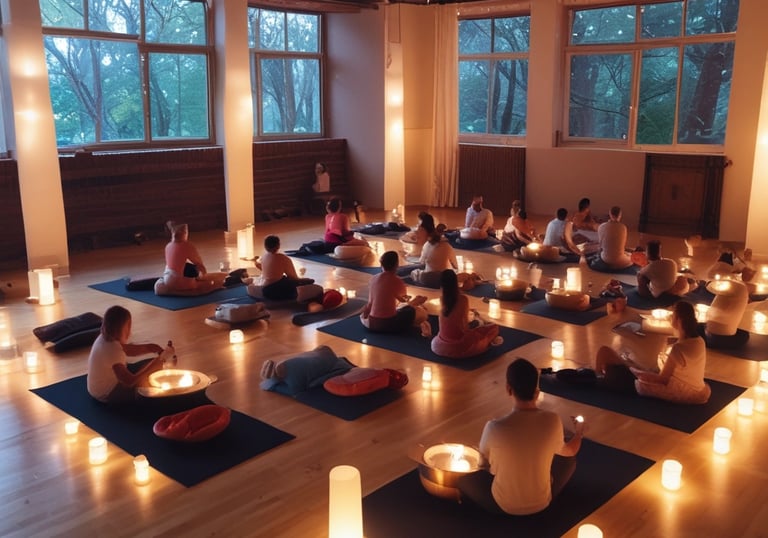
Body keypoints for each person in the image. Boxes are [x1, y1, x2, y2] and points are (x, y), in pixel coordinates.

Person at [457, 358, 583, 515]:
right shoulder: (552, 420)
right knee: (569, 461)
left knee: (463, 478)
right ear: (537, 393)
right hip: (542, 503)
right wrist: (579, 432)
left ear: (508, 389)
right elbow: (570, 451)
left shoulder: (495, 427)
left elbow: (483, 465)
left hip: (502, 505)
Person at [595, 301, 711, 404]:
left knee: (605, 353)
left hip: (674, 389)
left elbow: (663, 380)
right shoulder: (699, 341)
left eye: (672, 316)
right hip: (695, 388)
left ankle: (597, 378)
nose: (670, 318)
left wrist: (640, 374)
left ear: (678, 320)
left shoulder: (679, 348)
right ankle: (600, 376)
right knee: (616, 364)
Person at [86, 305, 166, 404]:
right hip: (107, 394)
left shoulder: (104, 338)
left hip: (95, 389)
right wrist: (154, 364)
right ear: (123, 328)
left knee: (148, 365)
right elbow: (129, 382)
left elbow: (129, 350)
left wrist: (153, 347)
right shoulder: (112, 349)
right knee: (153, 389)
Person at [431, 270, 500, 359]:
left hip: (443, 342)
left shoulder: (442, 299)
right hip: (461, 344)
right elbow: (465, 327)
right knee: (493, 328)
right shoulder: (463, 299)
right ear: (455, 282)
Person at [360, 250, 429, 333]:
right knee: (418, 313)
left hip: (372, 323)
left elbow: (370, 304)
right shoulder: (397, 281)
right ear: (396, 264)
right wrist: (416, 301)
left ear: (381, 264)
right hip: (388, 324)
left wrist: (365, 316)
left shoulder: (373, 278)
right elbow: (403, 302)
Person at [155, 221, 227, 295]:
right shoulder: (186, 245)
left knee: (199, 277)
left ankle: (172, 291)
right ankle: (178, 291)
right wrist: (202, 275)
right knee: (210, 284)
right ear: (185, 232)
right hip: (178, 282)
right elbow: (199, 265)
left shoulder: (168, 246)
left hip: (167, 279)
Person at [255, 235, 323, 301]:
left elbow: (263, 269)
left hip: (265, 290)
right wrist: (304, 280)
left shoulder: (263, 257)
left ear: (265, 246)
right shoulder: (283, 258)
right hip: (275, 290)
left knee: (284, 279)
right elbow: (293, 278)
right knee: (309, 282)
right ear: (278, 245)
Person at [411, 230, 482, 290]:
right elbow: (455, 266)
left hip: (427, 278)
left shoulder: (426, 245)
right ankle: (476, 280)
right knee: (461, 276)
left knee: (414, 272)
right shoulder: (447, 246)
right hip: (444, 279)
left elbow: (421, 261)